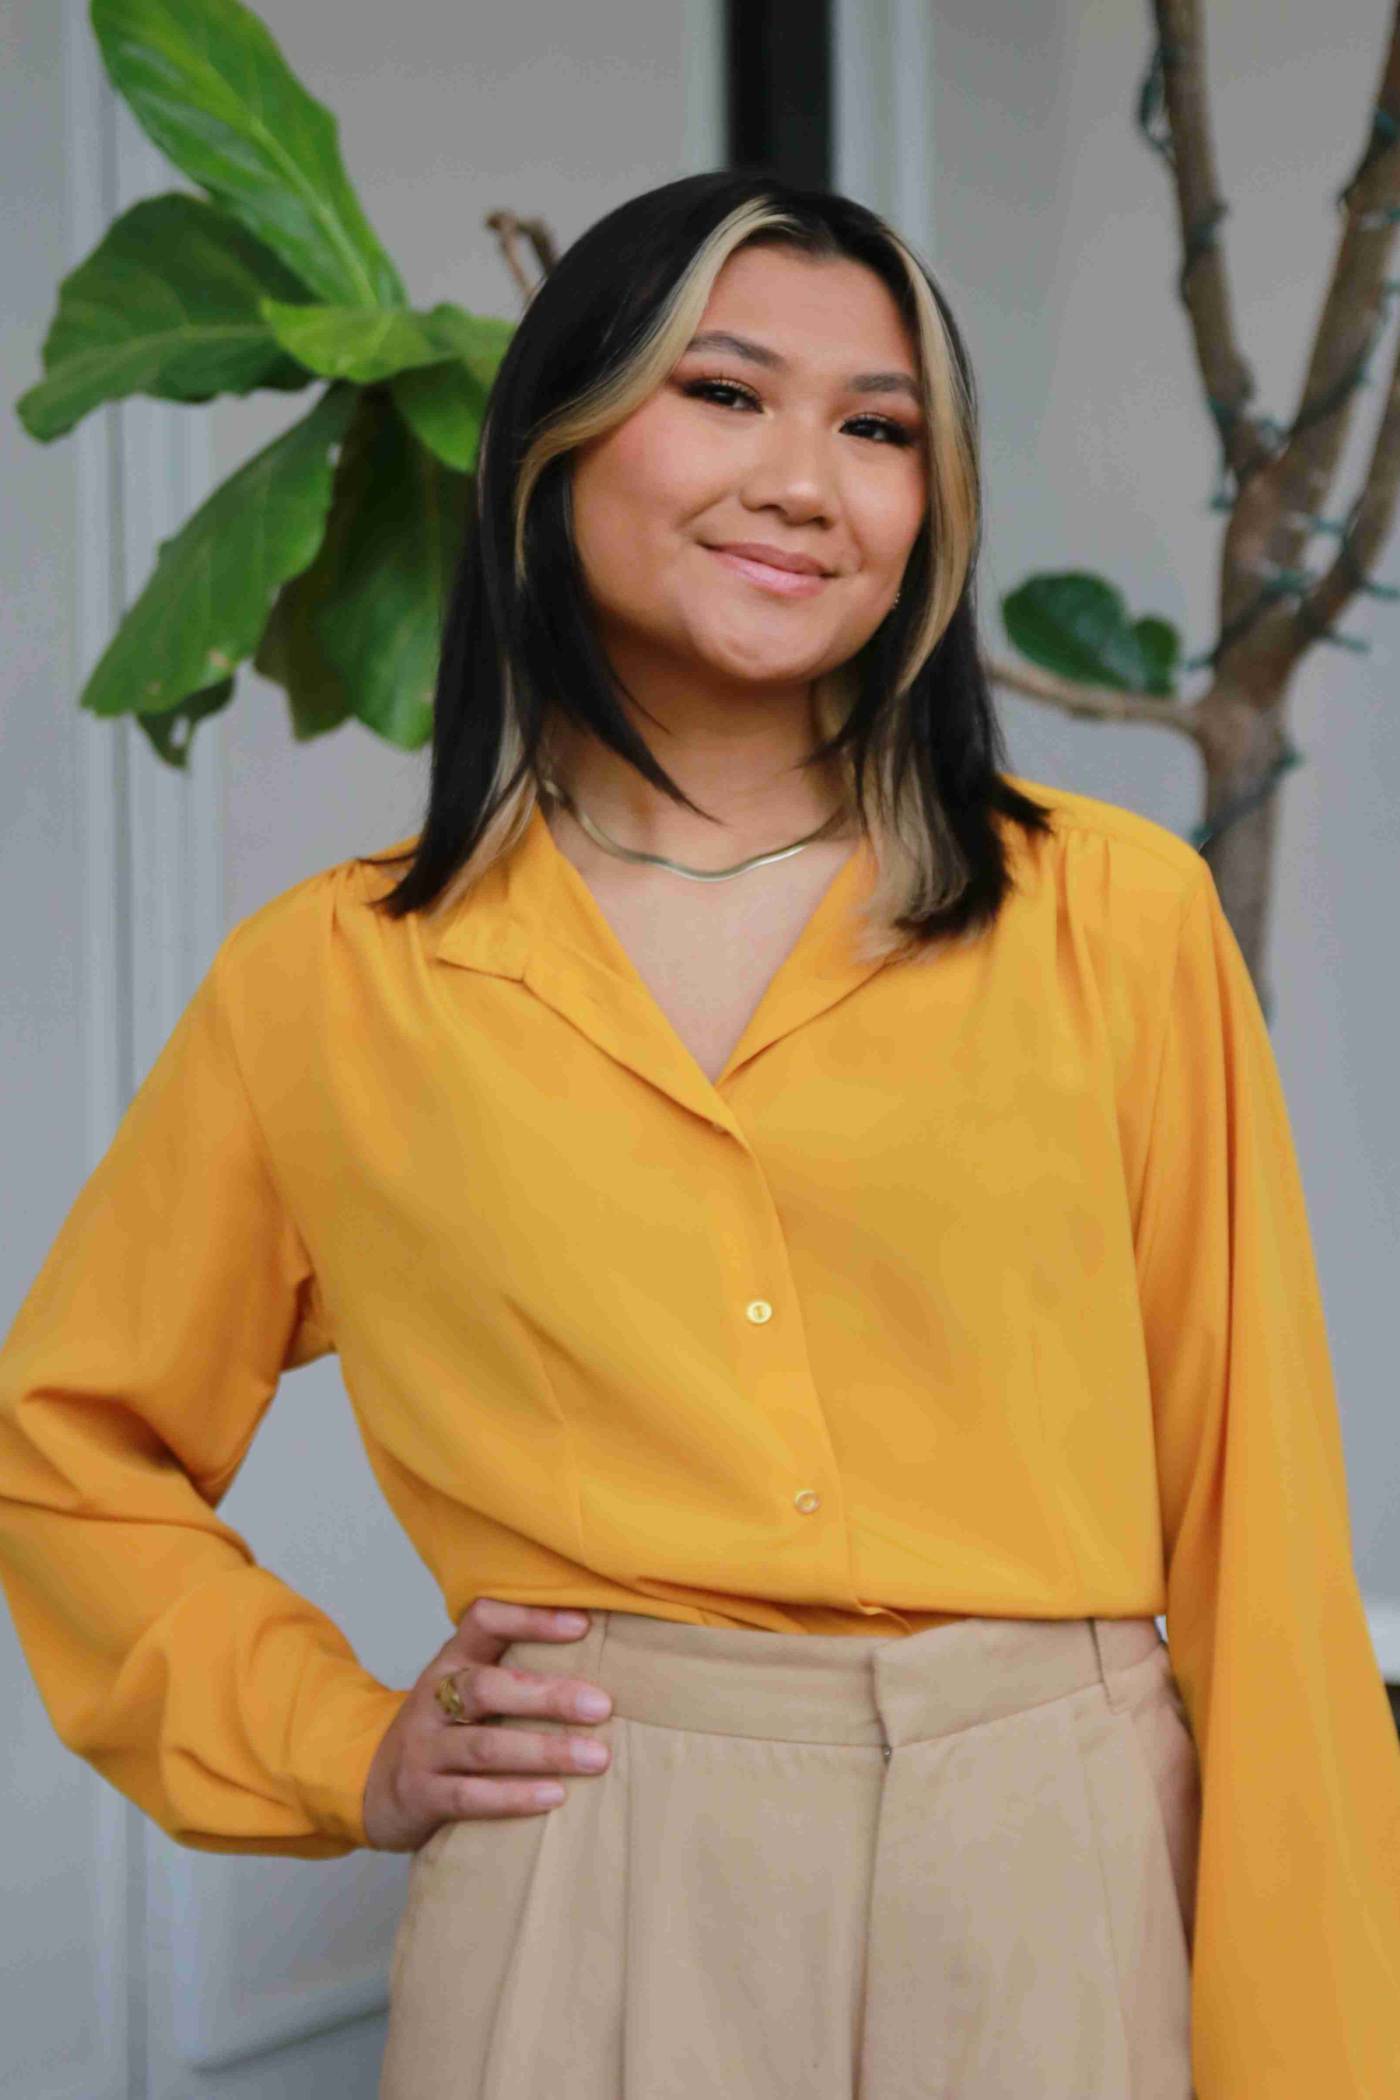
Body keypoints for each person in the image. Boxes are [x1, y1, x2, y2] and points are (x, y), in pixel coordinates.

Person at [0, 168, 1396, 2099]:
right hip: (589, 1886)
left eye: (880, 427)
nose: (809, 480)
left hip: (1063, 1877)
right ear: (552, 449)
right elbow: (71, 1443)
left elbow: (1263, 1543)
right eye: (724, 394)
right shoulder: (329, 984)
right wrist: (334, 1741)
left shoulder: (1114, 923)